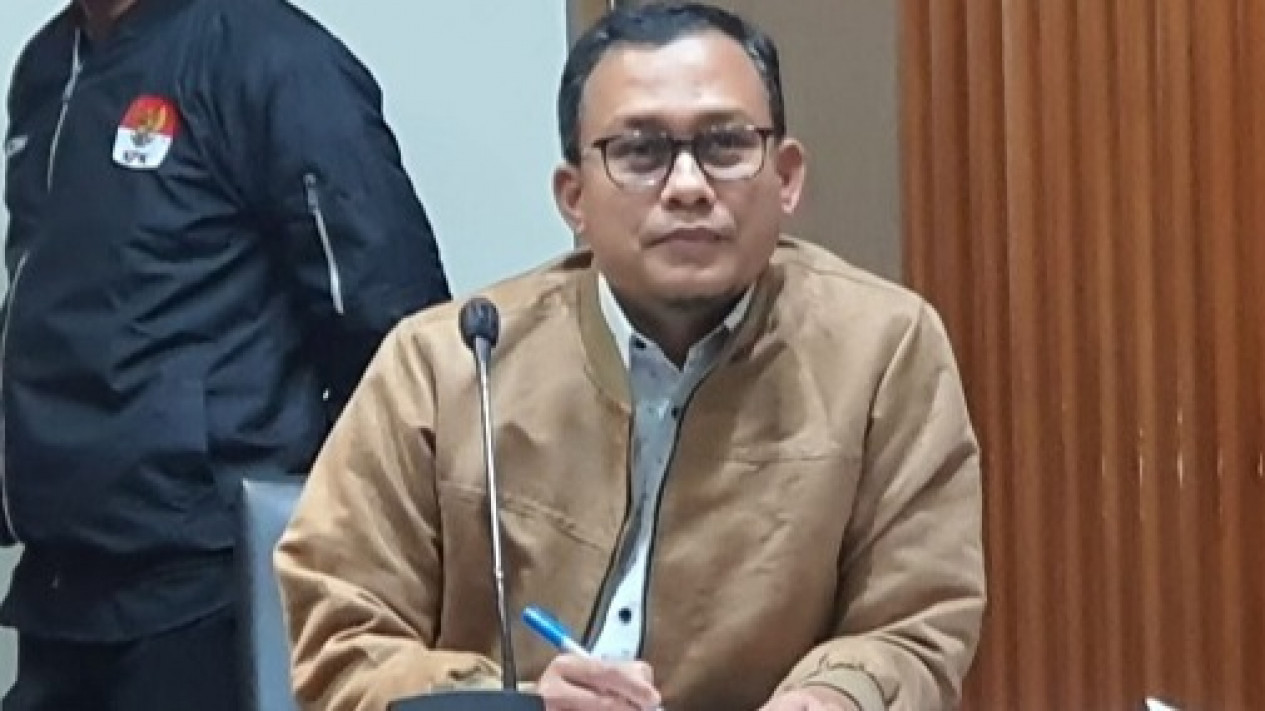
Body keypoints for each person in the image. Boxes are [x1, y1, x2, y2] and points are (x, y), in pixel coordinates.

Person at [275, 3, 985, 710]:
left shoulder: (881, 351)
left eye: (726, 144)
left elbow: (915, 620)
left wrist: (838, 695)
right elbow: (342, 633)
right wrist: (516, 703)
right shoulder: (448, 364)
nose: (688, 186)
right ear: (573, 197)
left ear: (787, 177)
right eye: (640, 153)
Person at [0, 0, 451, 707]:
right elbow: (45, 301)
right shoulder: (47, 65)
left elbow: (391, 322)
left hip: (210, 580)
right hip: (59, 584)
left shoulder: (274, 60)